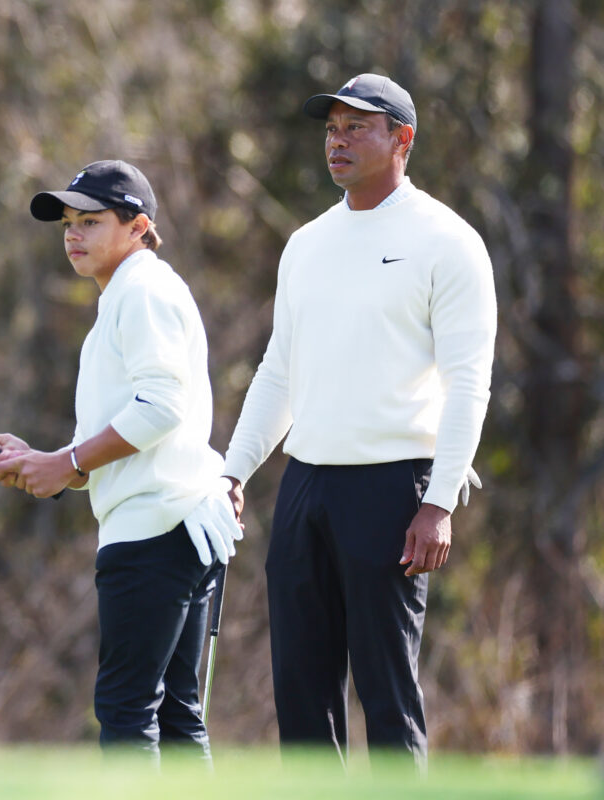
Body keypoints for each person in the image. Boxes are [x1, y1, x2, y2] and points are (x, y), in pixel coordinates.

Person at [221, 74, 497, 768]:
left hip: (394, 486)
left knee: (387, 691)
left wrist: (439, 501)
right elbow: (278, 370)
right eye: (331, 128)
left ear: (402, 140)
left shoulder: (446, 241)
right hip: (306, 485)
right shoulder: (307, 243)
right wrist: (233, 470)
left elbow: (469, 382)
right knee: (302, 693)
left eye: (357, 127)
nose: (338, 141)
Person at [0, 160, 242, 761]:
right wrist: (44, 460)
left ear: (138, 226)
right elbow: (134, 425)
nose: (73, 234)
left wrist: (66, 462)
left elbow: (162, 406)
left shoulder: (141, 291)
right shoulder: (130, 295)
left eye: (90, 221)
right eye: (69, 222)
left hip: (155, 531)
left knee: (127, 710)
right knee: (173, 714)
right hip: (176, 526)